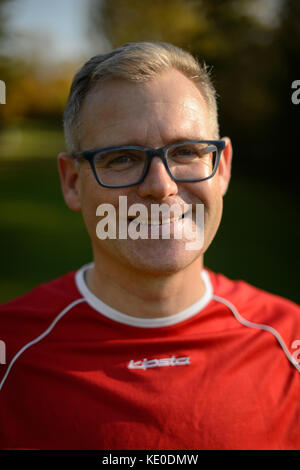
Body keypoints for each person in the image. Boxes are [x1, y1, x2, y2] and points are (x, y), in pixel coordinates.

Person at [0, 41, 299, 451]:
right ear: (72, 182)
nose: (161, 186)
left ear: (222, 167)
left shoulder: (291, 342)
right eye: (122, 158)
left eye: (187, 152)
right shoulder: (9, 352)